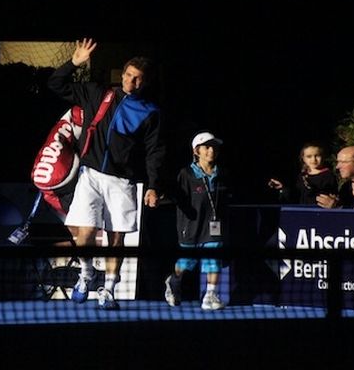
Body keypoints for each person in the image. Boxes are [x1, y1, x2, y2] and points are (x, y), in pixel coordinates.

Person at [47, 38, 165, 310]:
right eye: (128, 76)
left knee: (116, 238)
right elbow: (55, 84)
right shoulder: (97, 93)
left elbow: (154, 152)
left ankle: (109, 288)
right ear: (122, 75)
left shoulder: (151, 113)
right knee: (84, 234)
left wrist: (153, 185)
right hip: (90, 176)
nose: (131, 82)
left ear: (145, 82)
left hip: (122, 183)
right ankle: (86, 273)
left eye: (138, 79)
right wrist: (73, 63)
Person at [164, 131, 227, 310]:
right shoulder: (186, 174)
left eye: (214, 147)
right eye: (207, 147)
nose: (211, 151)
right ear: (197, 151)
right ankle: (173, 282)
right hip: (190, 226)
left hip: (213, 227)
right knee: (186, 263)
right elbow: (177, 196)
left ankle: (210, 295)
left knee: (213, 258)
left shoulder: (222, 173)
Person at [268, 141, 338, 205]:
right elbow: (295, 196)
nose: (313, 159)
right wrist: (283, 188)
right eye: (309, 156)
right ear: (303, 158)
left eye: (317, 155)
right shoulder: (301, 176)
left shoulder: (329, 175)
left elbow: (332, 197)